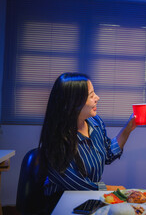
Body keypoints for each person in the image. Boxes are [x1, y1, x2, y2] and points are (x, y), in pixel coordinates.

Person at [38, 72, 136, 211]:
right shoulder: (56, 140)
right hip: (62, 201)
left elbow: (107, 154)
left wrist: (128, 128)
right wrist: (116, 190)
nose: (97, 98)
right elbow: (77, 185)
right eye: (91, 95)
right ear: (73, 103)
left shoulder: (94, 122)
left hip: (90, 197)